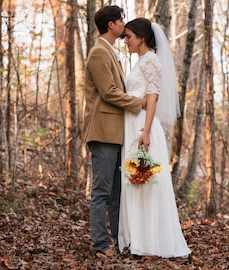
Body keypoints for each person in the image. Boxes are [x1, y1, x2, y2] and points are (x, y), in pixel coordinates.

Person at [118, 18, 191, 258]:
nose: (126, 41)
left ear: (141, 37)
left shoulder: (151, 61)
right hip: (133, 125)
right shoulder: (141, 61)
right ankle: (135, 238)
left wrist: (146, 132)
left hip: (143, 127)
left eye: (129, 36)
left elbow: (153, 97)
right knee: (134, 181)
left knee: (145, 183)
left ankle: (148, 241)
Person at [83, 6, 145, 257]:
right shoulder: (99, 53)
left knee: (117, 193)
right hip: (103, 132)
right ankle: (100, 245)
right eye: (121, 20)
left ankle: (119, 243)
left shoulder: (110, 52)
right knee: (101, 191)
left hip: (116, 133)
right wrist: (137, 103)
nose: (124, 24)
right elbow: (108, 92)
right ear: (111, 24)